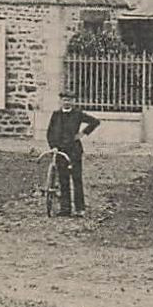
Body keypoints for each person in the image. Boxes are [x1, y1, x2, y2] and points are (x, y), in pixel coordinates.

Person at [45, 89, 100, 217]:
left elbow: (95, 121)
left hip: (74, 151)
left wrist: (82, 133)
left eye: (69, 100)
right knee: (63, 180)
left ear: (73, 101)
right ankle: (65, 209)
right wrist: (53, 146)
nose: (66, 102)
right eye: (64, 99)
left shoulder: (77, 114)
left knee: (76, 179)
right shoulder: (56, 115)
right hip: (60, 151)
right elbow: (50, 132)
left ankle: (80, 209)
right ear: (61, 101)